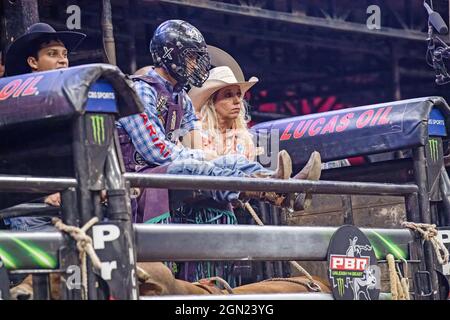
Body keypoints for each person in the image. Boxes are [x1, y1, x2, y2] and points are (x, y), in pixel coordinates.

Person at [117, 20, 321, 283]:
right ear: (171, 55)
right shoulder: (140, 90)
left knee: (231, 159)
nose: (196, 65)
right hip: (140, 174)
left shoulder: (180, 98)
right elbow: (156, 151)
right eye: (191, 57)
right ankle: (271, 189)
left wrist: (211, 159)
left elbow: (192, 145)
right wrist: (206, 158)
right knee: (196, 166)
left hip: (171, 166)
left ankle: (283, 187)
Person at [2, 23, 86, 231]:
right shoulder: (13, 102)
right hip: (27, 208)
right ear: (33, 62)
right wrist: (44, 192)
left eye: (64, 54)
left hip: (73, 205)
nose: (62, 60)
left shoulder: (70, 100)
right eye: (52, 53)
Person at [189, 65, 259, 161]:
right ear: (212, 102)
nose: (237, 100)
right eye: (228, 95)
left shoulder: (245, 139)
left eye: (239, 94)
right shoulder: (195, 132)